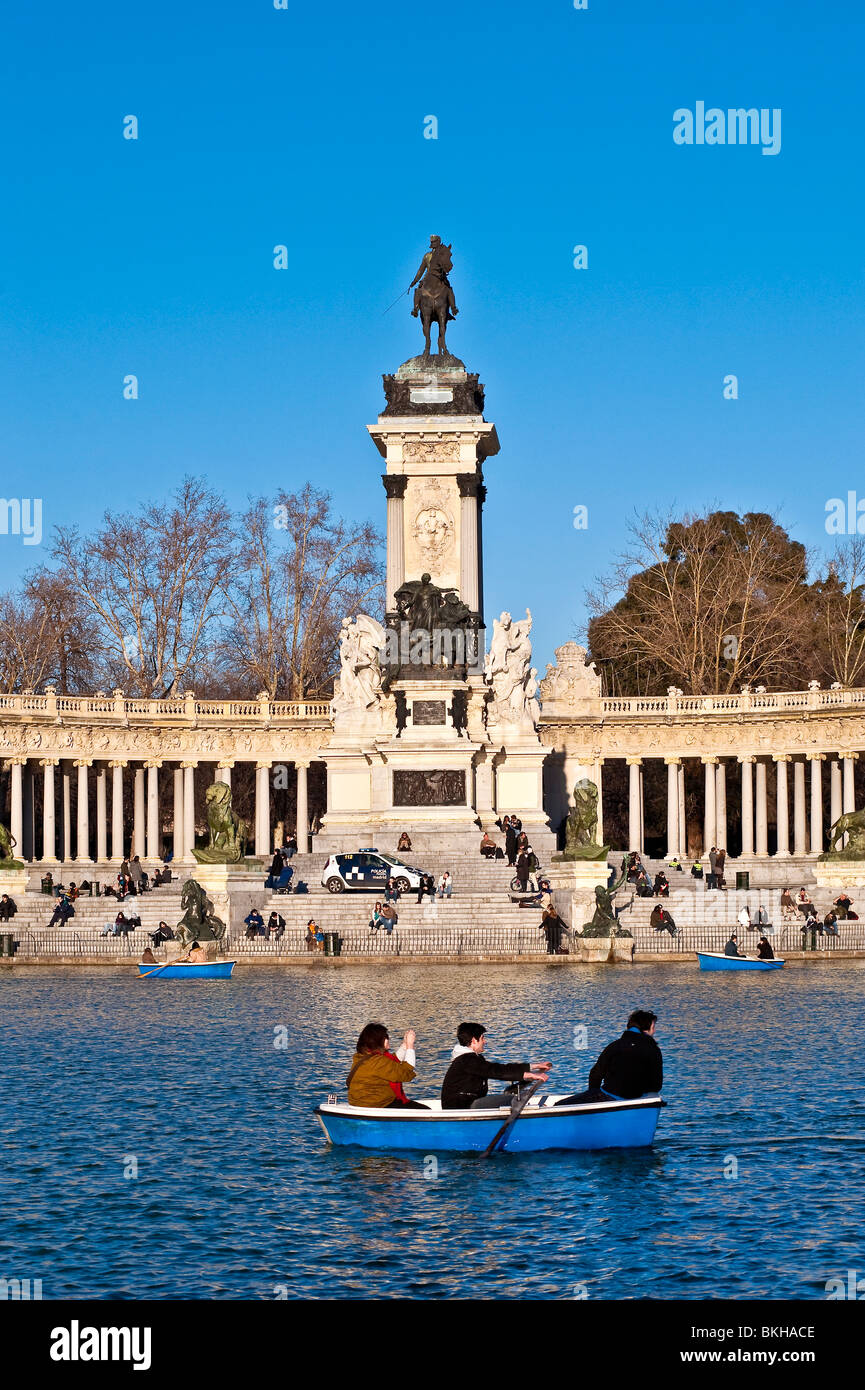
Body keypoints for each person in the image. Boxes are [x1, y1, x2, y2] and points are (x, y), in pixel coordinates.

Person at [555, 1009, 661, 1107]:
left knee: (558, 1105)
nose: (654, 1031)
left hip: (609, 1096)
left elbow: (595, 1074)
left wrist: (594, 1094)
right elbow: (656, 1085)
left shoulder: (615, 1046)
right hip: (637, 1098)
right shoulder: (654, 1049)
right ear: (646, 1029)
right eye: (653, 1027)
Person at [440, 1022, 550, 1110]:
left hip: (466, 1104)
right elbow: (496, 1071)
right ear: (474, 1040)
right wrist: (528, 1075)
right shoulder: (466, 1059)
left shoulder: (470, 1059)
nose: (485, 1042)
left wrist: (534, 1066)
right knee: (511, 1100)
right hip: (460, 1108)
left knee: (509, 1097)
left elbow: (499, 1068)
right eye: (483, 1038)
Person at [347, 1023, 428, 1109]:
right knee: (426, 1111)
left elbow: (391, 1062)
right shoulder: (378, 1062)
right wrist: (410, 1046)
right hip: (377, 1104)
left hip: (359, 1103)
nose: (388, 1039)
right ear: (379, 1040)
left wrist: (404, 1045)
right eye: (386, 1036)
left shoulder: (362, 1057)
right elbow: (406, 1072)